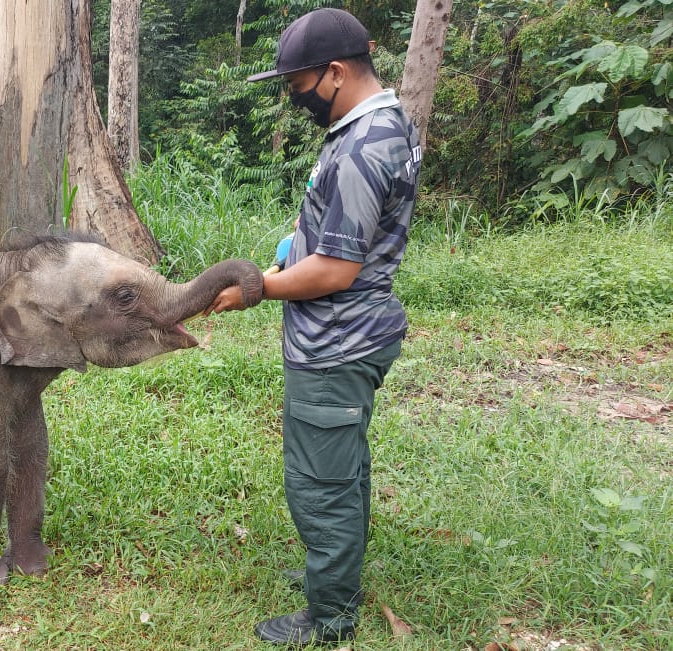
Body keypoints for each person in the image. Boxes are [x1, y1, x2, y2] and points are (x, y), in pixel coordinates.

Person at [205, 8, 422, 647]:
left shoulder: (360, 147)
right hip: (349, 337)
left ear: (335, 72)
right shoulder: (379, 125)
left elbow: (335, 269)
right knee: (342, 470)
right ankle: (335, 576)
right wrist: (290, 246)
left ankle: (329, 619)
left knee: (320, 486)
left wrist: (257, 289)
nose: (293, 98)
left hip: (335, 345)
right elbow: (333, 231)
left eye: (297, 86)